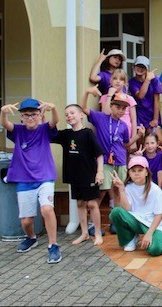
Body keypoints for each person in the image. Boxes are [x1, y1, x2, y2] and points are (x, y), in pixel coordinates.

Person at [0, 98, 62, 263]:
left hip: (45, 177)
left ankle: (53, 245)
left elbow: (55, 121)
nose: (30, 118)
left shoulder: (44, 129)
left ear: (40, 115)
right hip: (24, 180)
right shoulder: (18, 131)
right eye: (26, 115)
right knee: (26, 221)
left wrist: (53, 108)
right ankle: (31, 238)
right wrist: (3, 112)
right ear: (21, 117)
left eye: (34, 114)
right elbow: (5, 124)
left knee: (47, 209)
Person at [82, 87, 145, 234]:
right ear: (111, 106)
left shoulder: (123, 125)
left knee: (117, 191)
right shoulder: (101, 118)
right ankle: (92, 224)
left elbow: (126, 144)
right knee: (102, 192)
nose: (121, 110)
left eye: (124, 108)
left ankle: (115, 222)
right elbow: (84, 109)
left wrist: (138, 136)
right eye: (118, 107)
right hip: (104, 161)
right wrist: (86, 93)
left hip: (120, 161)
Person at [52, 104, 105, 246]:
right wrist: (47, 113)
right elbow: (50, 132)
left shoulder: (88, 133)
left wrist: (100, 172)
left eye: (72, 113)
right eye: (66, 114)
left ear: (81, 115)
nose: (69, 116)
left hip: (89, 174)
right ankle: (84, 233)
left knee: (92, 204)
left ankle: (97, 233)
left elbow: (99, 154)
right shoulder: (66, 135)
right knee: (80, 203)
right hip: (74, 175)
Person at [109, 156, 162, 256]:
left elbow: (159, 215)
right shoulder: (128, 187)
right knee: (116, 212)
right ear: (129, 173)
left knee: (155, 250)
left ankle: (160, 242)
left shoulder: (155, 189)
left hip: (151, 224)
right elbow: (126, 209)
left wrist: (148, 234)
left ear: (146, 172)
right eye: (133, 171)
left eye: (140, 170)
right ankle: (130, 239)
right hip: (135, 220)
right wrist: (121, 189)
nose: (136, 173)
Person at [129, 56, 162, 136]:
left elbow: (157, 100)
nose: (140, 69)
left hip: (152, 113)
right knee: (140, 138)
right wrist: (147, 80)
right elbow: (140, 96)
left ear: (147, 69)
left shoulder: (155, 79)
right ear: (133, 67)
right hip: (139, 114)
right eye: (138, 66)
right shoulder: (132, 82)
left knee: (155, 138)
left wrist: (155, 119)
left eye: (143, 67)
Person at [99, 69, 137, 137]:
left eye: (121, 79)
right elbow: (105, 114)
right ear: (111, 81)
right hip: (110, 132)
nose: (118, 81)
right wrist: (109, 96)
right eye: (115, 78)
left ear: (125, 82)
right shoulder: (105, 97)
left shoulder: (130, 99)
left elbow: (134, 121)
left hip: (126, 134)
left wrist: (133, 139)